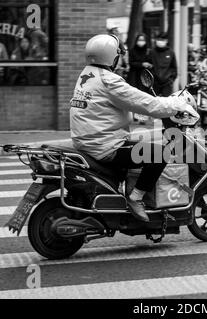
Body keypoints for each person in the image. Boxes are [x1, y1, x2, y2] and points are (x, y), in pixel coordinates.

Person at [70, 34, 199, 222]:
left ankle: (126, 191)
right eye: (119, 55)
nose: (121, 59)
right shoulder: (109, 80)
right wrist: (177, 103)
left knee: (140, 145)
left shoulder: (86, 75)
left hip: (87, 140)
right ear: (112, 57)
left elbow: (102, 107)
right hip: (105, 146)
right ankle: (135, 198)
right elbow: (149, 104)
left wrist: (133, 113)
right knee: (159, 154)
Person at [127, 33, 153, 124]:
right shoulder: (132, 51)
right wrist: (142, 64)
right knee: (134, 97)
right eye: (139, 40)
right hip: (134, 76)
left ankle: (142, 117)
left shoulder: (148, 51)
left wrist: (149, 65)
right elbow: (131, 63)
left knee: (144, 97)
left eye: (143, 40)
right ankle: (135, 115)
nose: (141, 42)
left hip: (144, 78)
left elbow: (152, 62)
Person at [150, 32, 178, 97]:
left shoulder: (171, 52)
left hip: (167, 84)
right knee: (154, 103)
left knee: (166, 103)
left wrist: (171, 80)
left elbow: (174, 67)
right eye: (159, 39)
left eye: (162, 40)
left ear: (166, 41)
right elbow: (148, 66)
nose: (160, 41)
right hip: (154, 83)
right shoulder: (152, 52)